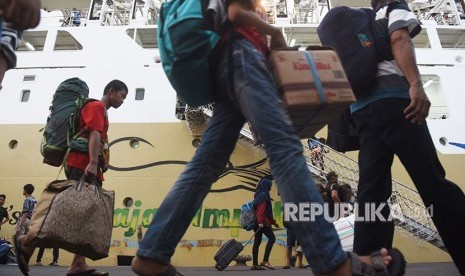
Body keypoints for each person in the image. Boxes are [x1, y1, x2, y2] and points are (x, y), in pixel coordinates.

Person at [131, 0, 404, 275]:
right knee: (285, 151)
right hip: (243, 58)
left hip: (227, 69)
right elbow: (237, 13)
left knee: (205, 165)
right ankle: (332, 261)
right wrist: (274, 32)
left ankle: (153, 253)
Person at [350, 0, 465, 274]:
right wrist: (416, 84)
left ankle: (371, 266)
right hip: (396, 103)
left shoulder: (360, 22)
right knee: (433, 183)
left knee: (371, 196)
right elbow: (400, 37)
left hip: (363, 109)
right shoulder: (392, 8)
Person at [14, 80, 128, 276]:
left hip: (86, 164)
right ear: (111, 91)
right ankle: (26, 241)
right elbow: (94, 133)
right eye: (122, 95)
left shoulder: (100, 109)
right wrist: (93, 162)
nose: (123, 100)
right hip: (82, 163)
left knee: (86, 214)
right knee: (67, 209)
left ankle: (77, 264)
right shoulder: (97, 106)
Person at [251, 178, 277, 270]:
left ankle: (255, 264)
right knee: (272, 238)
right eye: (270, 185)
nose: (270, 186)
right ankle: (265, 261)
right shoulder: (264, 195)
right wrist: (261, 222)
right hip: (263, 222)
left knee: (257, 242)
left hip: (257, 222)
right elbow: (261, 210)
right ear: (267, 185)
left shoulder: (258, 194)